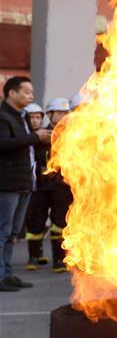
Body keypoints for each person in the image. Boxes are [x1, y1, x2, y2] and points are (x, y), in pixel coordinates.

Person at [0, 77, 50, 291]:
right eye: (27, 92)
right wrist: (35, 137)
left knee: (12, 233)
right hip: (7, 184)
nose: (31, 95)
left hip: (23, 183)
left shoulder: (21, 117)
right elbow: (4, 144)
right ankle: (1, 276)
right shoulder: (3, 117)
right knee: (3, 231)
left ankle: (7, 274)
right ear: (12, 93)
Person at [24, 97, 72, 272]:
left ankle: (59, 259)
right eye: (59, 112)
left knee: (60, 222)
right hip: (40, 186)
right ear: (50, 114)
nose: (64, 116)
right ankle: (34, 256)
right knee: (36, 220)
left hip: (61, 185)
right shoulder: (39, 135)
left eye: (66, 112)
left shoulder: (72, 135)